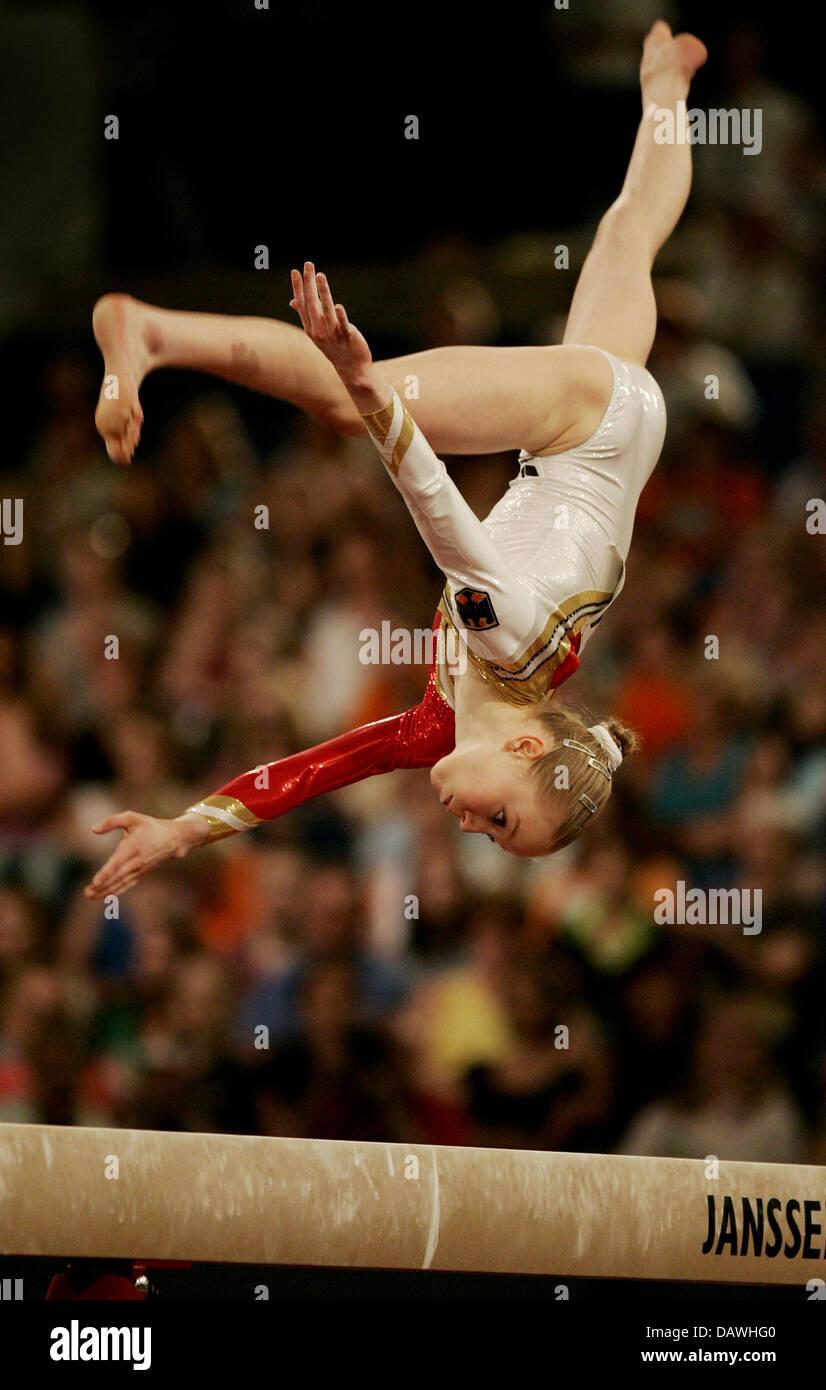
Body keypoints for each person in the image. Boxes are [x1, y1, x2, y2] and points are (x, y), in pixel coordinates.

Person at [85, 21, 708, 899]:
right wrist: (370, 396)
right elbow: (442, 517)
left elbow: (315, 769)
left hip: (606, 441)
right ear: (526, 744)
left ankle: (665, 93)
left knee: (627, 237)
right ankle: (153, 329)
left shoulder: (441, 723)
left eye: (493, 839)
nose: (473, 830)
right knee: (341, 400)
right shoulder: (514, 646)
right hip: (586, 425)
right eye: (502, 819)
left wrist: (187, 827)